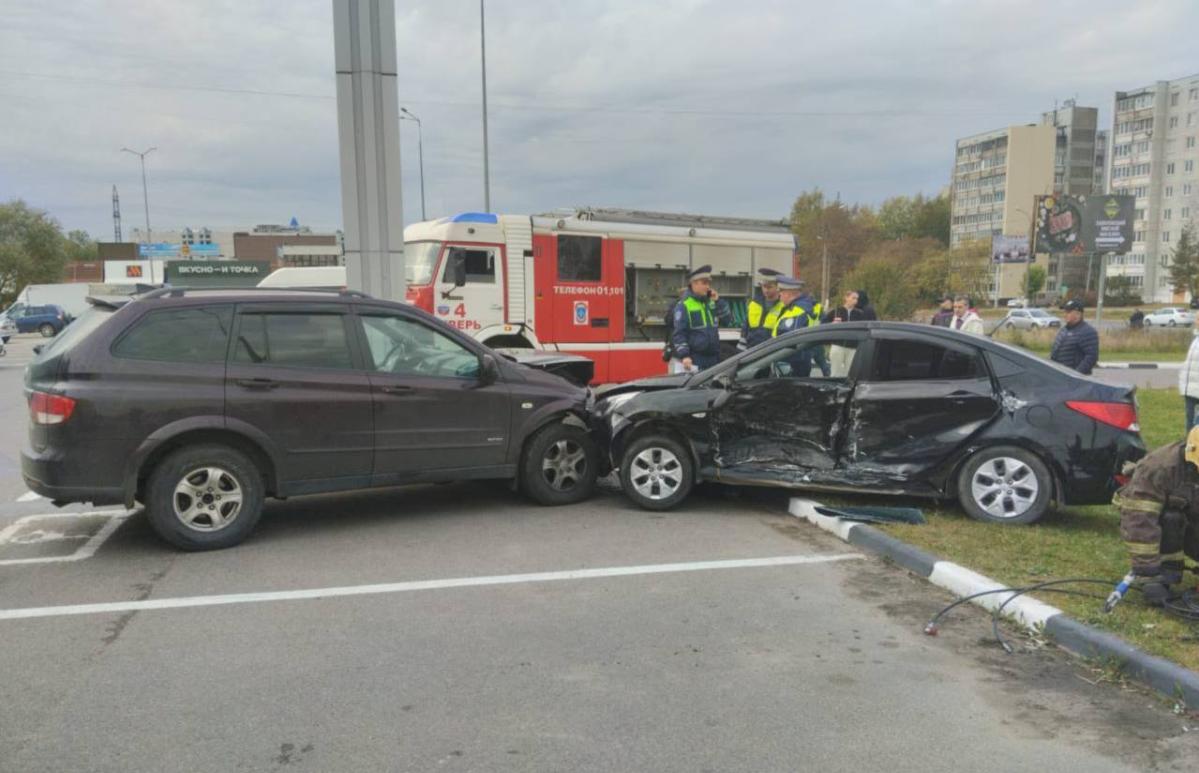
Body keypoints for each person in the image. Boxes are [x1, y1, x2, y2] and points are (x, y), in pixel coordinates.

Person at [1113, 427, 1199, 606]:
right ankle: (1165, 571)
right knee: (1170, 517)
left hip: (1191, 516)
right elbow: (1139, 521)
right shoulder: (1159, 468)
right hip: (1158, 521)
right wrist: (1147, 571)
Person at [669, 265, 730, 373]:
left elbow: (727, 321)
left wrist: (718, 301)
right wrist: (685, 356)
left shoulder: (711, 302)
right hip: (695, 359)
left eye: (708, 283)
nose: (708, 287)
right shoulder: (684, 305)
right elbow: (679, 334)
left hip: (713, 358)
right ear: (694, 283)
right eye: (704, 283)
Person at [738, 268, 784, 351]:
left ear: (778, 287)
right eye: (764, 286)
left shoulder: (783, 306)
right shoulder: (754, 304)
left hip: (772, 354)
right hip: (752, 352)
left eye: (770, 287)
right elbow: (745, 330)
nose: (766, 290)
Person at [1049, 299, 1099, 375]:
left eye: (1068, 312)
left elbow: (1091, 357)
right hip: (1060, 377)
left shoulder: (1087, 331)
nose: (1065, 314)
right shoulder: (1064, 330)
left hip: (1076, 382)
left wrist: (1076, 375)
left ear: (1078, 314)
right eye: (1065, 312)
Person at [1179, 314, 1199, 430]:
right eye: (1197, 318)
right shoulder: (1195, 339)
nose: (1197, 321)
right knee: (1189, 420)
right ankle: (1190, 444)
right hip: (1190, 388)